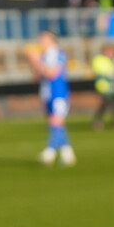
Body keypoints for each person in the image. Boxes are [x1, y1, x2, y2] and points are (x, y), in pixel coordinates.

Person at [26, 30, 76, 166]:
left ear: (51, 40)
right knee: (56, 124)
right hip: (47, 93)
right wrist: (34, 63)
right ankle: (67, 152)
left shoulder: (58, 54)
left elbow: (52, 73)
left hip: (59, 93)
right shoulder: (44, 55)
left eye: (42, 38)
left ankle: (50, 151)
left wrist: (37, 61)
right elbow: (35, 77)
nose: (40, 41)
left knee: (56, 122)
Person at [90, 44, 114, 130]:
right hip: (104, 86)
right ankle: (98, 120)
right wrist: (110, 72)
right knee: (105, 103)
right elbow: (99, 69)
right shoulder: (99, 59)